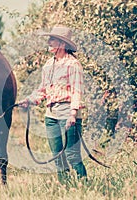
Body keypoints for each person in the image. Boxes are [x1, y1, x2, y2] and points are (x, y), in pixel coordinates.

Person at [19, 25, 87, 184]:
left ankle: (85, 186)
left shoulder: (73, 65)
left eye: (52, 39)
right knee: (57, 155)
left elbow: (77, 90)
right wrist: (29, 100)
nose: (49, 41)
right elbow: (43, 89)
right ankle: (66, 187)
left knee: (72, 155)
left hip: (68, 113)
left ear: (62, 44)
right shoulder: (48, 65)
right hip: (51, 115)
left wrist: (73, 114)